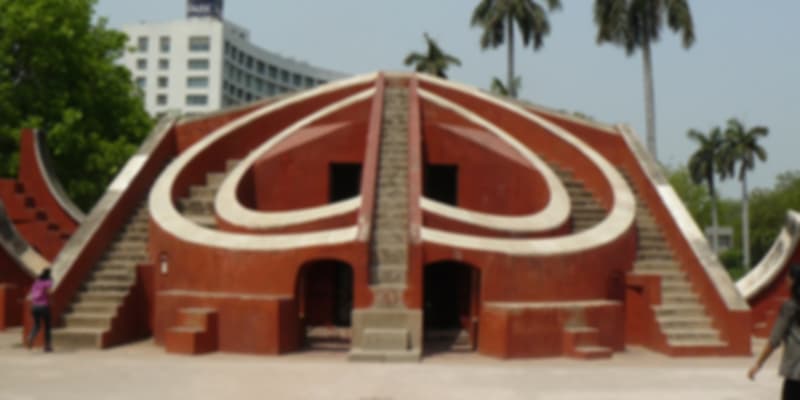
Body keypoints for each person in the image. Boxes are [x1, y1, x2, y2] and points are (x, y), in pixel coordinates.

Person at [748, 263, 800, 398]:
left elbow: (774, 340)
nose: (786, 281)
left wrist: (758, 364)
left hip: (796, 373)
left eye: (788, 278)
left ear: (793, 281)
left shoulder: (790, 308)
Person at [26, 268, 53, 352]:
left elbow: (32, 293)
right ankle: (47, 346)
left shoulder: (36, 282)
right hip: (44, 306)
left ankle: (31, 336)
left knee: (37, 325)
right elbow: (49, 292)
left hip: (34, 307)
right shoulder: (48, 281)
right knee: (47, 327)